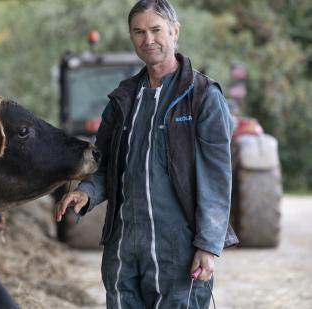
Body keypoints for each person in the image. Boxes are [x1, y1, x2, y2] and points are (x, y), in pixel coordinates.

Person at [54, 0, 239, 308]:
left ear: (174, 31)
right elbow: (106, 165)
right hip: (124, 246)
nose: (148, 40)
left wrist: (208, 246)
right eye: (138, 32)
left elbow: (217, 179)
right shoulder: (123, 99)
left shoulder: (203, 97)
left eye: (156, 30)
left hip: (178, 248)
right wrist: (86, 193)